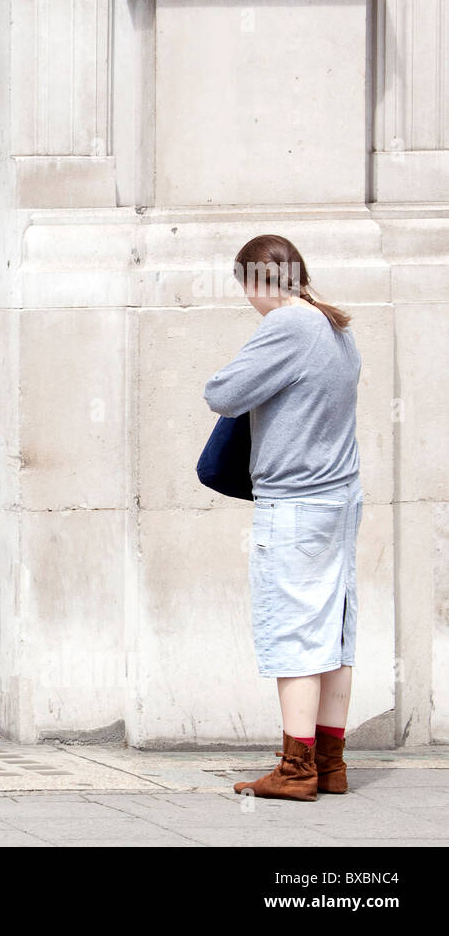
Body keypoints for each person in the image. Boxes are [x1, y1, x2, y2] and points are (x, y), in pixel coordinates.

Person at [203, 234, 362, 801]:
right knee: (332, 631)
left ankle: (296, 772)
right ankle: (330, 762)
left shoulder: (288, 326)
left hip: (295, 504)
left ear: (253, 281)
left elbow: (222, 393)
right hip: (340, 498)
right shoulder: (334, 326)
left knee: (294, 630)